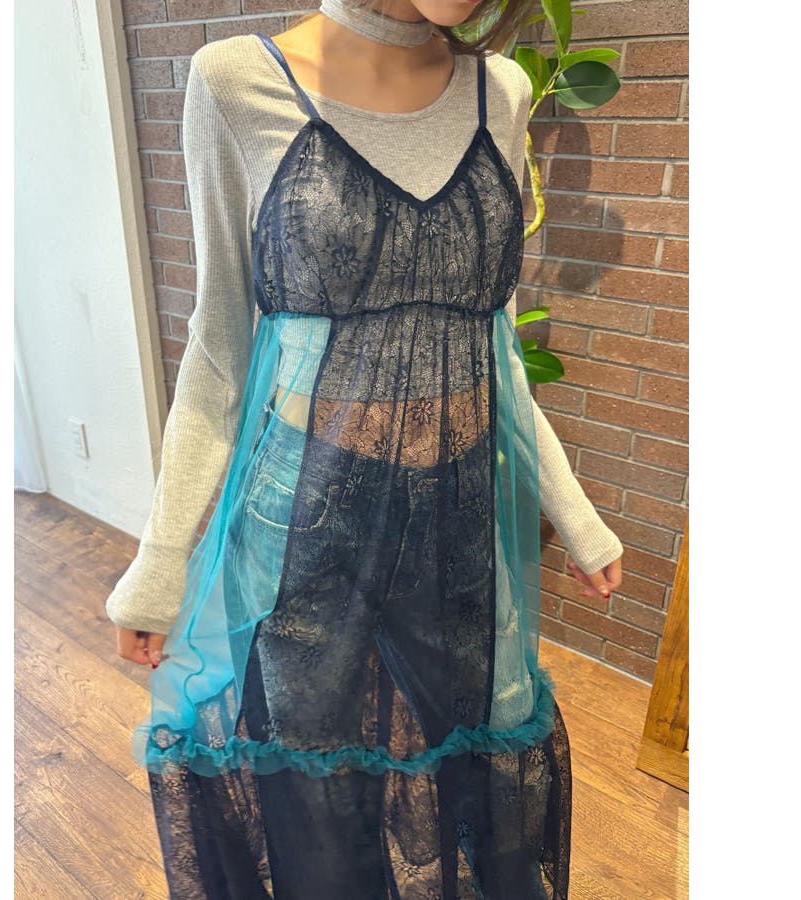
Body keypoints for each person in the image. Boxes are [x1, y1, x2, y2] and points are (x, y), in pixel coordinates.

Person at [106, 1, 624, 897]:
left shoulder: (500, 92)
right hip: (306, 515)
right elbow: (221, 346)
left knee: (484, 758)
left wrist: (572, 512)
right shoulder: (235, 82)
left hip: (458, 511)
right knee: (314, 784)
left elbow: (494, 344)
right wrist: (160, 557)